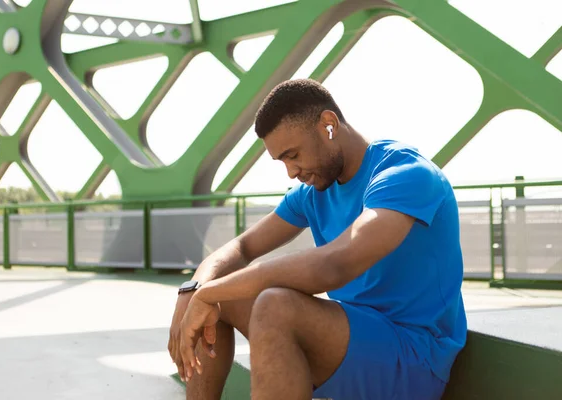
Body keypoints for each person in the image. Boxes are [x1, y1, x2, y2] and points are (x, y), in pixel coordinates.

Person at [167, 78, 467, 400]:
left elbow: (337, 264)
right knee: (219, 291)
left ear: (328, 125)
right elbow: (242, 247)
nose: (291, 172)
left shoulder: (405, 174)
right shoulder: (312, 193)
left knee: (273, 305)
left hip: (414, 358)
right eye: (282, 161)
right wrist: (194, 290)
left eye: (293, 154)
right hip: (352, 343)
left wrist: (207, 293)